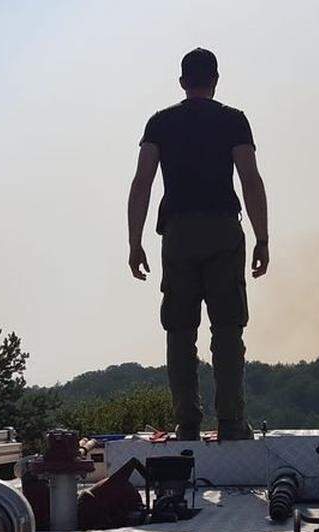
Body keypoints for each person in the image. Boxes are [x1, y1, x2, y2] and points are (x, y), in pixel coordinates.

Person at [126, 47, 269, 441]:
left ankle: (187, 422)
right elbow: (250, 179)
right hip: (224, 230)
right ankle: (230, 421)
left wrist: (134, 242)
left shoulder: (160, 123)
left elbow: (142, 183)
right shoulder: (234, 121)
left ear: (182, 82)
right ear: (216, 80)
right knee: (227, 328)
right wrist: (262, 238)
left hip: (178, 234)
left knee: (179, 328)